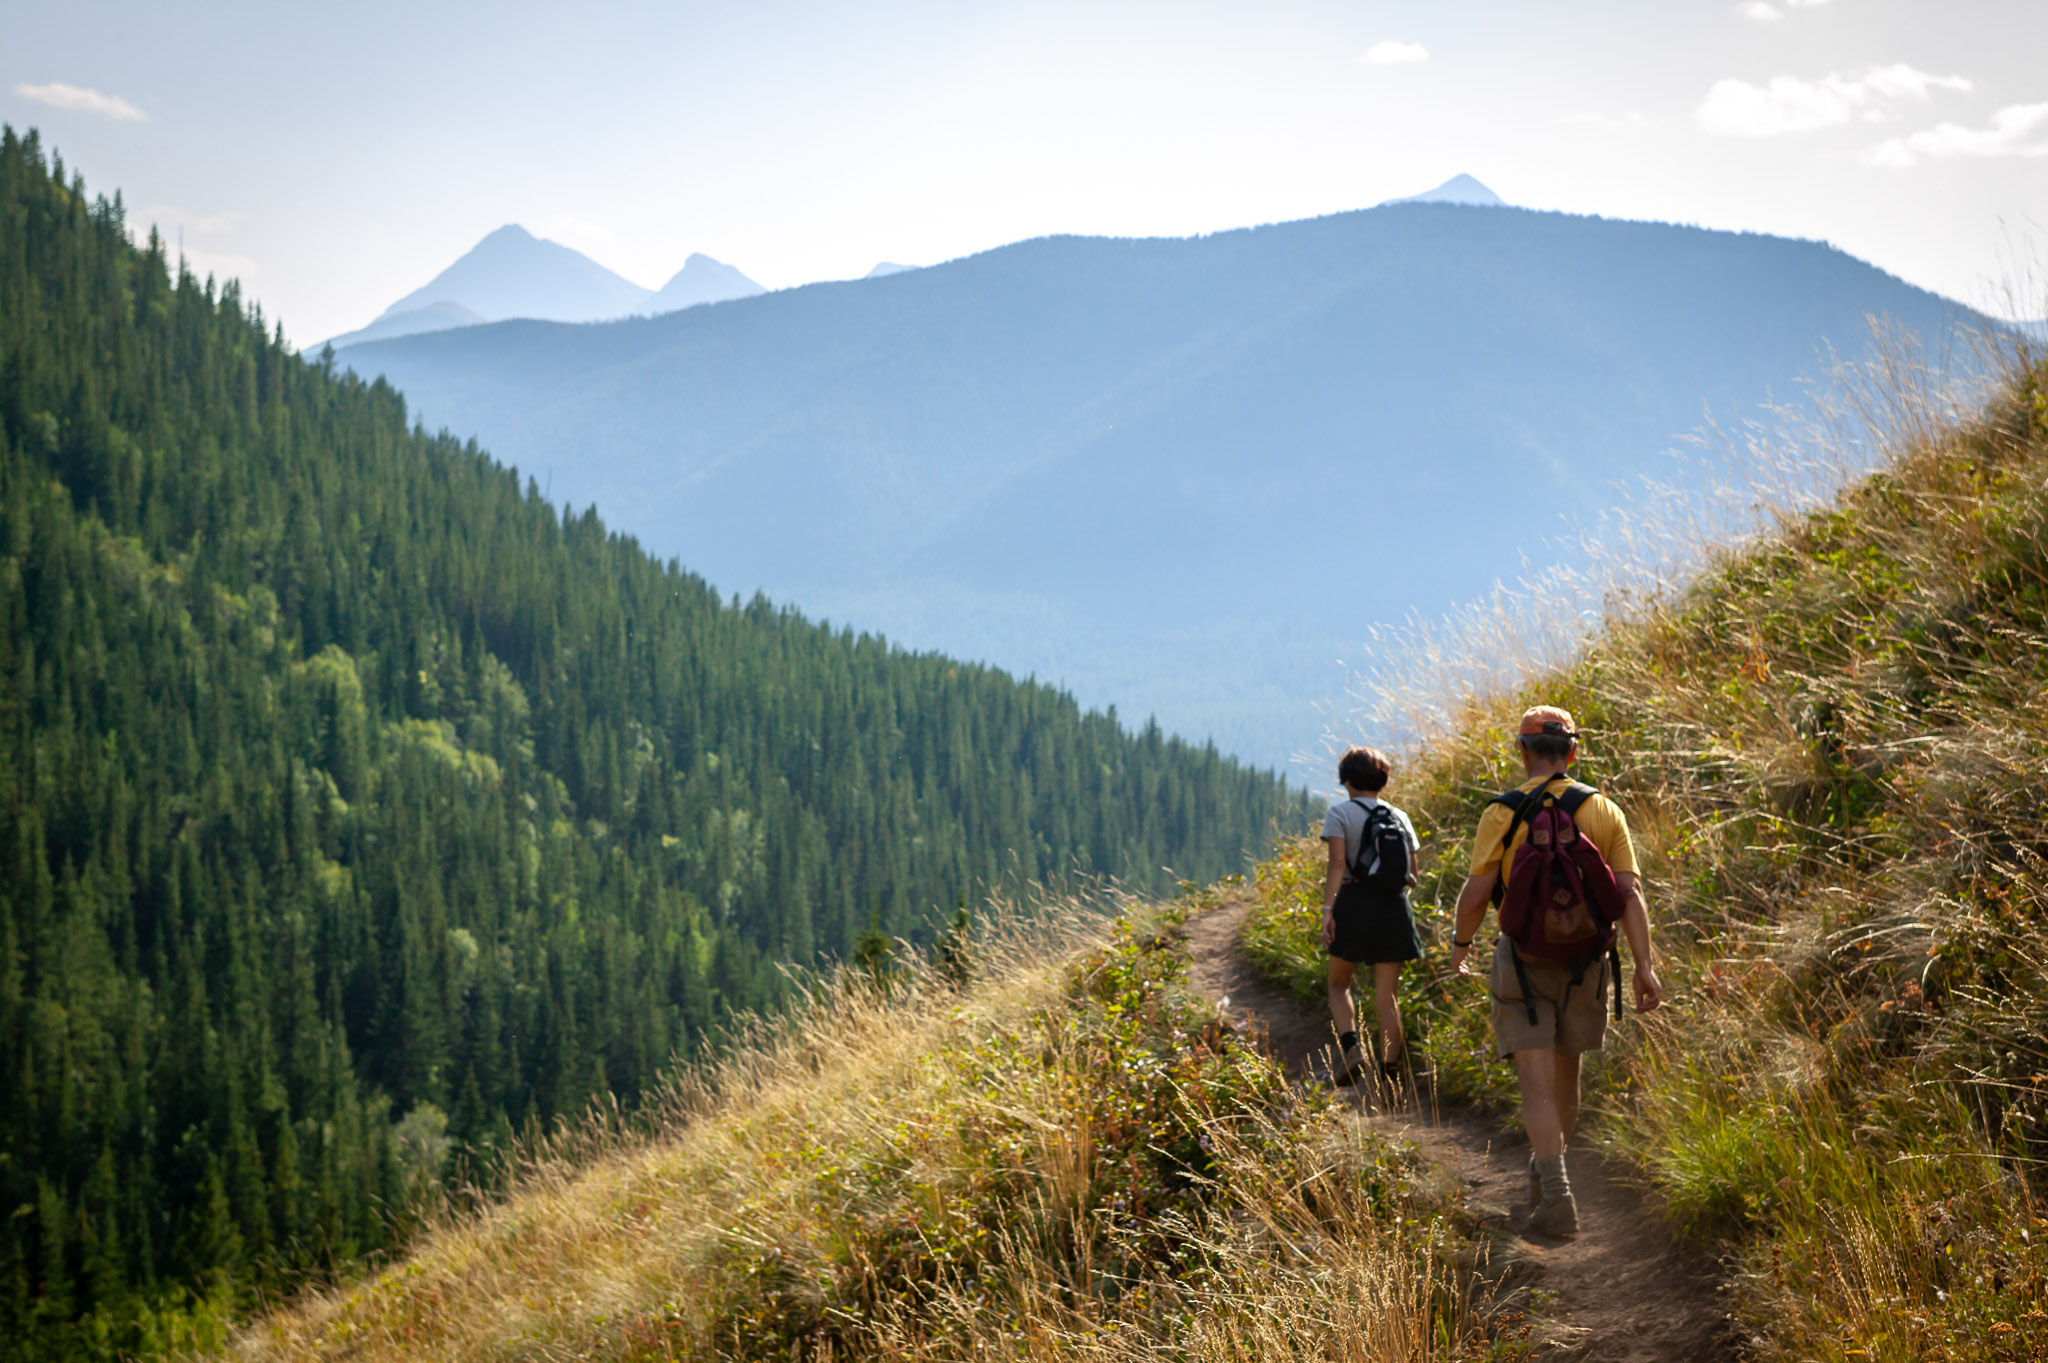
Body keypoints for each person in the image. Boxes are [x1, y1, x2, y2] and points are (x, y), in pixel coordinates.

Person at [1447, 706, 1662, 1237]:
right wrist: (1644, 967)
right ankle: (1549, 1177)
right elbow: (1629, 893)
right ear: (1573, 751)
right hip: (1586, 964)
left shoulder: (1502, 813)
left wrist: (1460, 944)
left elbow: (1476, 894)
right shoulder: (1603, 810)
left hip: (1522, 961)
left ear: (1521, 750)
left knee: (1534, 1082)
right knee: (1567, 1080)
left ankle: (1556, 1189)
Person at [1318, 745, 1422, 1088]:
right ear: (1383, 779)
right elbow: (1413, 872)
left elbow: (1336, 864)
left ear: (1346, 780)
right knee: (1387, 997)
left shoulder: (1340, 814)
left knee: (1338, 984)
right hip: (1394, 906)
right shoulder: (1399, 815)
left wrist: (1328, 910)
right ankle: (1390, 1077)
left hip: (1354, 902)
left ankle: (1352, 1050)